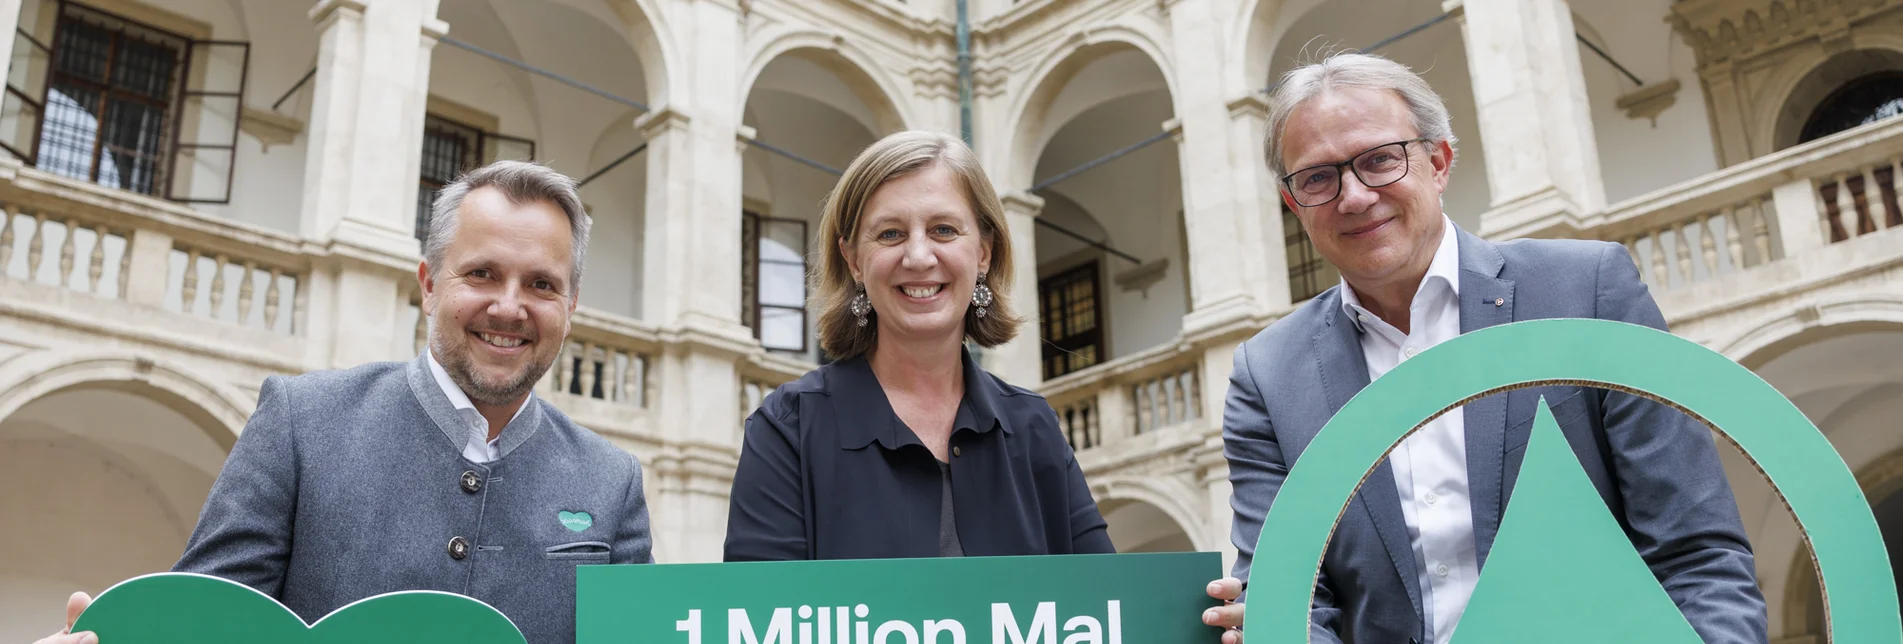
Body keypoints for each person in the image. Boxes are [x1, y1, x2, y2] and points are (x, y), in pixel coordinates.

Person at [1198, 52, 1767, 643]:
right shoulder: (1266, 376)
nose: (1355, 196)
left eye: (1380, 160)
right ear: (1294, 204)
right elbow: (1292, 600)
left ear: (1438, 161)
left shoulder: (1584, 290)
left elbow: (1696, 552)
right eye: (1318, 177)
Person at [36, 160, 653, 644]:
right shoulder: (302, 422)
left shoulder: (612, 483)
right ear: (430, 286)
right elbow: (207, 623)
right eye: (483, 274)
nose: (510, 307)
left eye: (541, 284)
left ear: (570, 308)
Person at [722, 130, 1113, 560]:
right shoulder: (788, 428)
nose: (919, 257)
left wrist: (1193, 612)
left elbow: (1107, 604)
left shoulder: (1033, 427)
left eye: (943, 230)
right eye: (890, 234)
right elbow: (758, 620)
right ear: (854, 261)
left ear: (983, 252)